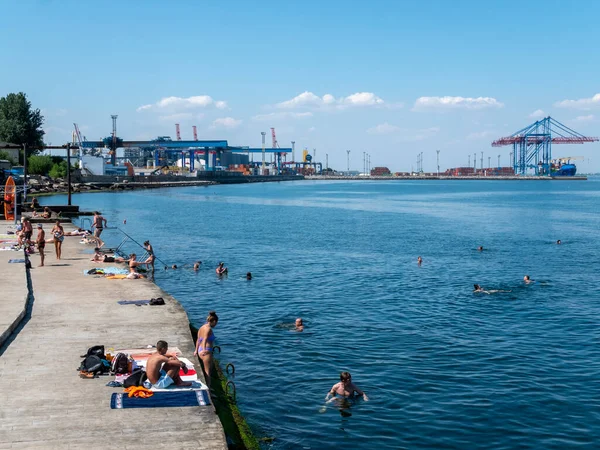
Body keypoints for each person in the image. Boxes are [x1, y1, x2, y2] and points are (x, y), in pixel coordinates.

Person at [194, 311, 218, 388]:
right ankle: (209, 391)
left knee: (208, 369)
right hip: (206, 351)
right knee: (208, 372)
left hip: (199, 350)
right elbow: (204, 339)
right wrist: (204, 350)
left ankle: (208, 388)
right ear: (214, 321)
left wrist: (196, 350)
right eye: (216, 323)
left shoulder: (201, 327)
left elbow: (198, 339)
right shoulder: (208, 329)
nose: (216, 324)